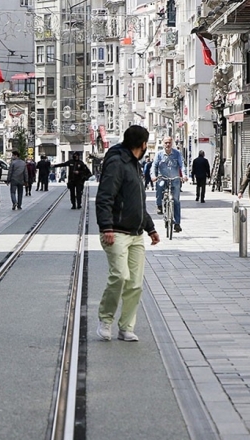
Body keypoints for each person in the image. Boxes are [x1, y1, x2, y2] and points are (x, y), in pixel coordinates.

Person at [95, 125, 160, 342]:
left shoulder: (134, 165)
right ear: (143, 144)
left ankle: (126, 327)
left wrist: (150, 227)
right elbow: (105, 196)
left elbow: (137, 200)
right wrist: (106, 227)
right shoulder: (117, 162)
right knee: (120, 276)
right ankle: (105, 320)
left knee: (135, 283)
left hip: (136, 233)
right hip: (116, 232)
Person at [152, 137, 187, 232]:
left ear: (172, 144)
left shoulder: (177, 154)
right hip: (162, 177)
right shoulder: (159, 154)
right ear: (163, 144)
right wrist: (153, 176)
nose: (168, 145)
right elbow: (154, 166)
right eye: (166, 143)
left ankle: (177, 223)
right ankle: (159, 205)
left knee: (176, 200)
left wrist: (184, 175)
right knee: (159, 186)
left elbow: (182, 165)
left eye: (169, 143)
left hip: (174, 179)